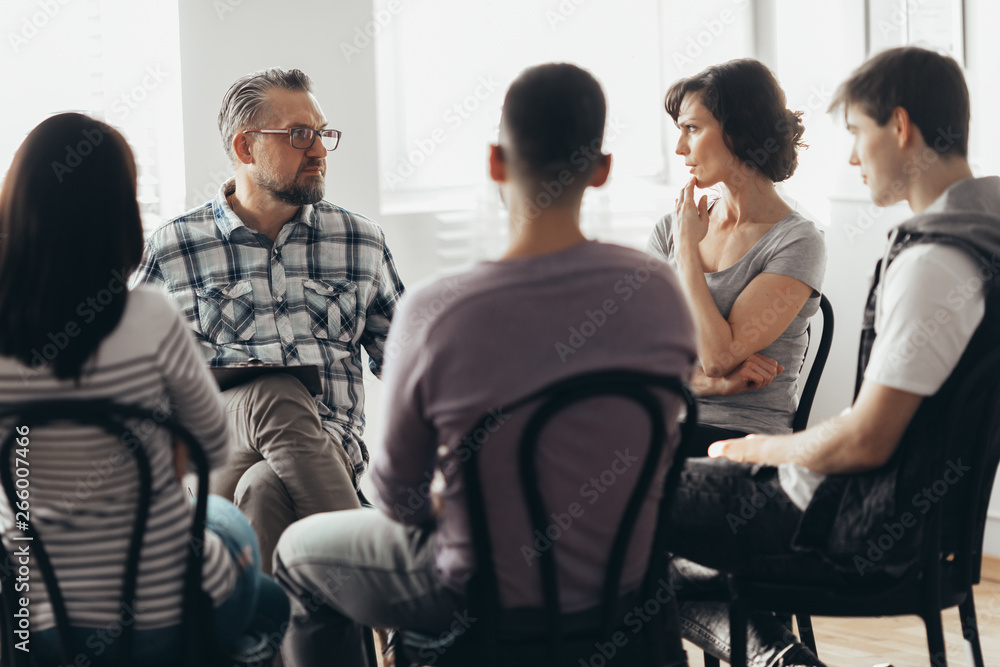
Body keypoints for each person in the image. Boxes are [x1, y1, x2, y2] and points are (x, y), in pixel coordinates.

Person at [272, 63, 698, 667]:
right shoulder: (658, 291)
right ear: (601, 171)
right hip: (623, 593)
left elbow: (398, 501)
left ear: (496, 163)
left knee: (295, 554)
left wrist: (462, 494)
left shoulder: (439, 311)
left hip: (477, 598)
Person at [667, 47, 1000, 666]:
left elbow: (866, 441)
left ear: (899, 128)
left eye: (856, 134)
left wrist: (755, 449)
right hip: (892, 516)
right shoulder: (984, 239)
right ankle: (776, 657)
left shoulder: (933, 263)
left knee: (616, 505)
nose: (851, 157)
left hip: (842, 519)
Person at [0, 113, 288, 665]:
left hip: (33, 624)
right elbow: (211, 447)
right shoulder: (151, 316)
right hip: (166, 614)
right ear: (119, 214)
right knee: (259, 578)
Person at [131, 68, 405, 571]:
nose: (319, 150)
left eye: (323, 134)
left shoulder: (360, 241)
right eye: (301, 135)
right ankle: (374, 579)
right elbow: (134, 384)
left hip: (330, 454)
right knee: (275, 396)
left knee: (265, 488)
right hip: (214, 457)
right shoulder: (174, 248)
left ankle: (268, 648)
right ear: (245, 147)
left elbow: (408, 366)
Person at [647, 58, 827, 455]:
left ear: (739, 131)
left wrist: (687, 254)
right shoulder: (671, 228)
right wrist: (716, 385)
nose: (679, 148)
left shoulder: (797, 242)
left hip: (741, 442)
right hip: (661, 426)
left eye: (692, 129)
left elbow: (718, 356)